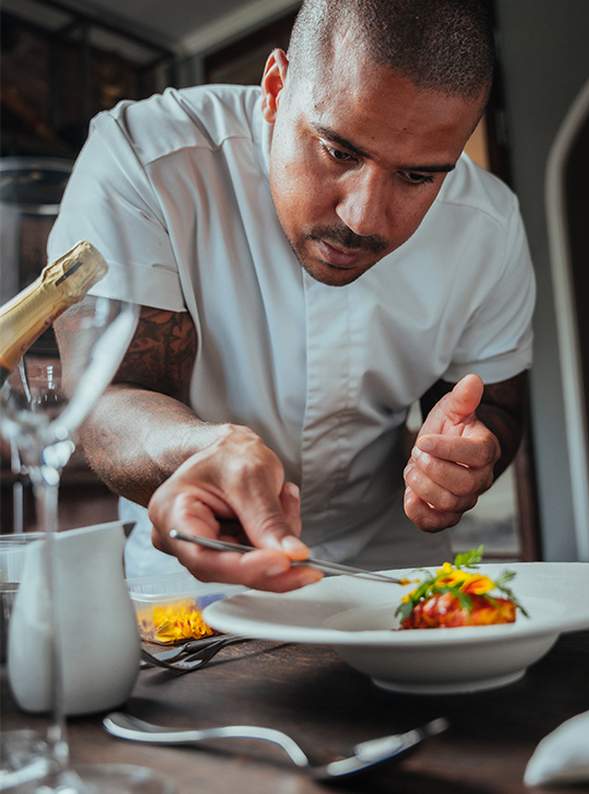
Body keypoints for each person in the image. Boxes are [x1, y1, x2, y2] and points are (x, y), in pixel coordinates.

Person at [50, 0, 535, 592]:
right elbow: (106, 395)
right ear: (276, 89)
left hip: (393, 573)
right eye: (340, 152)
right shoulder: (145, 158)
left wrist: (464, 461)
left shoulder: (489, 225)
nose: (362, 218)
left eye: (417, 176)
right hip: (190, 574)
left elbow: (497, 407)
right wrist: (203, 450)